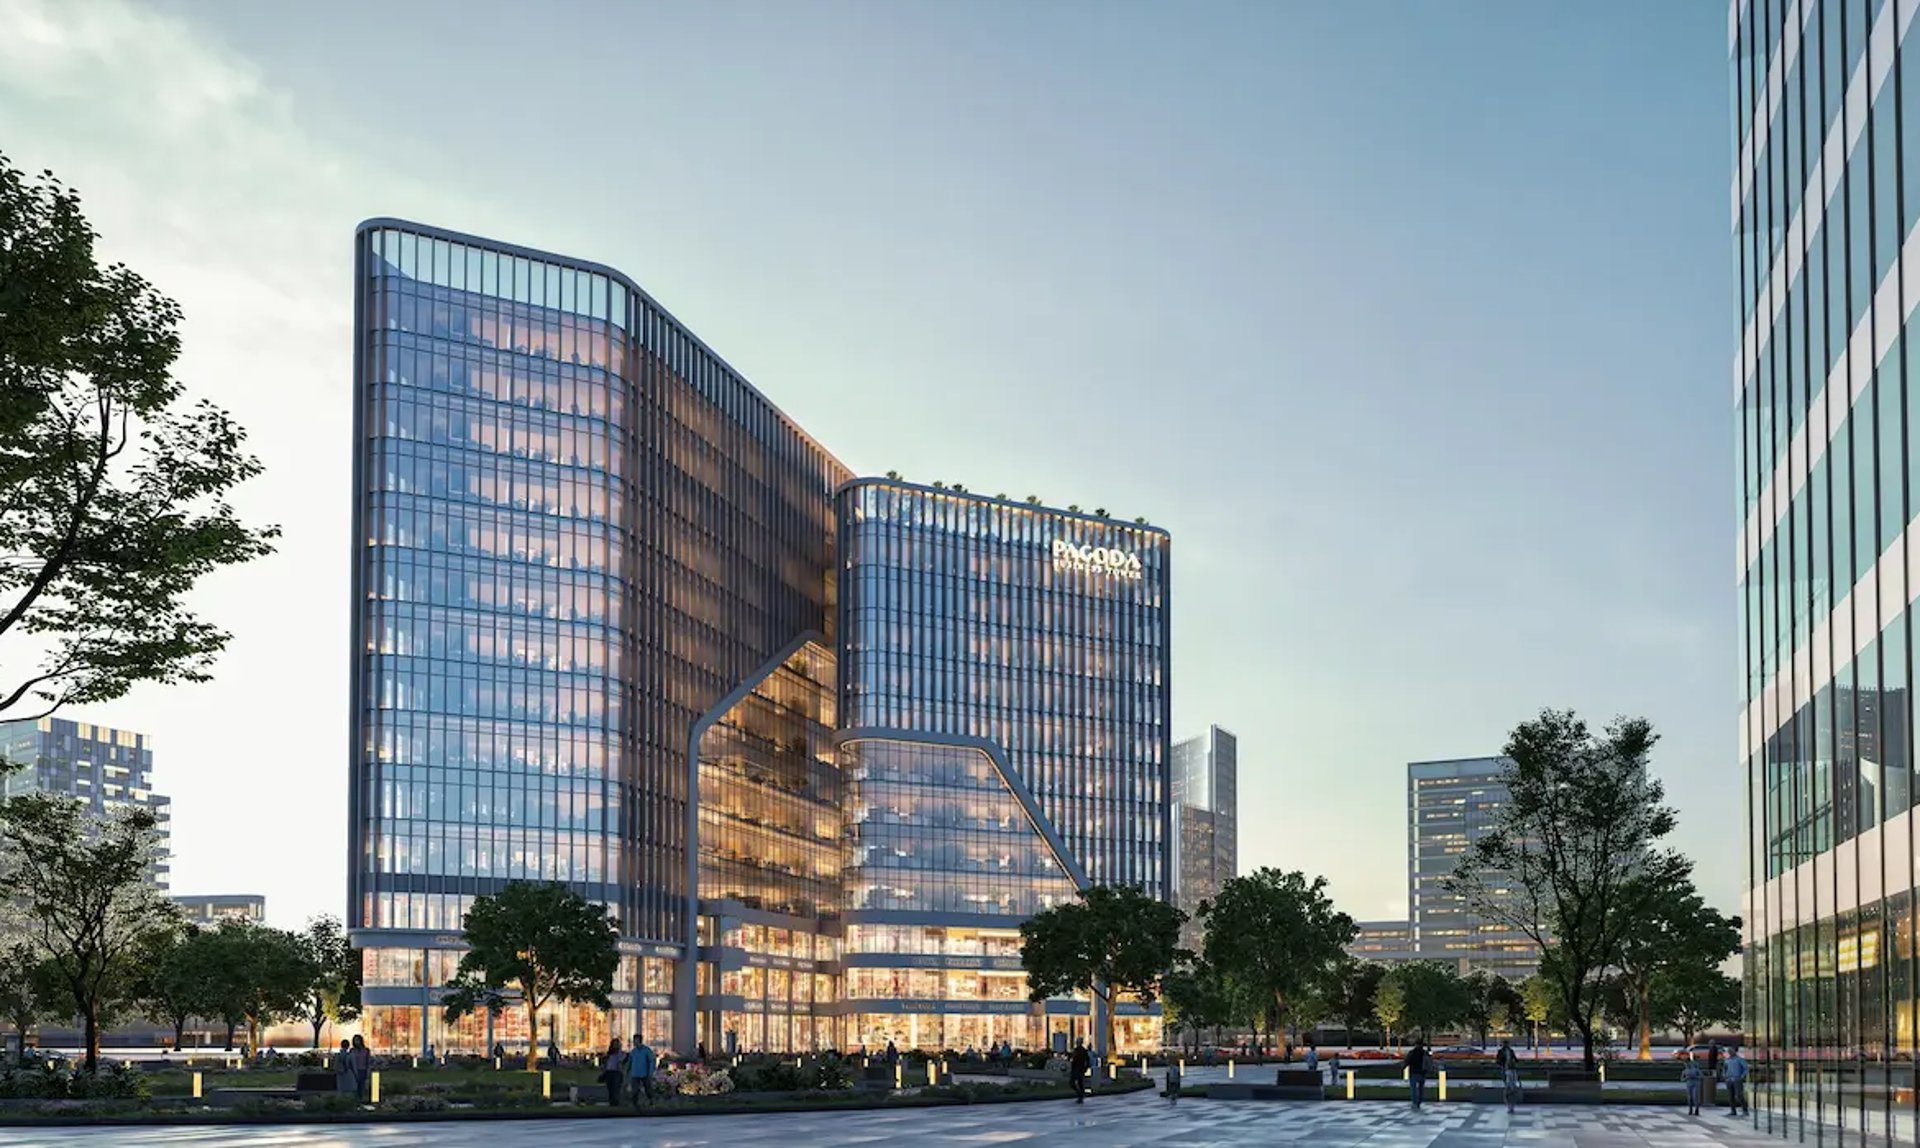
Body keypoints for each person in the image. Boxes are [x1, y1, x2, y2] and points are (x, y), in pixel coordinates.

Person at [627, 1034, 658, 1108]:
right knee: (635, 1090)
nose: (634, 1042)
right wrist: (628, 1071)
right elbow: (630, 1062)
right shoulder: (633, 1051)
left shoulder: (646, 1050)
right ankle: (635, 1103)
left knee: (648, 1088)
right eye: (634, 1040)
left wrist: (650, 1072)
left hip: (645, 1073)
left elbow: (651, 1061)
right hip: (635, 1073)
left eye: (636, 1040)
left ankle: (651, 1101)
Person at [1403, 1039, 1431, 1110]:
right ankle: (1419, 1102)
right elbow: (1429, 1062)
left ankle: (1414, 1102)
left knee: (1414, 1089)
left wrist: (1403, 1067)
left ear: (1415, 1044)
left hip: (1414, 1072)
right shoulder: (1425, 1053)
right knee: (1421, 1089)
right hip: (1422, 1073)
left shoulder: (1412, 1053)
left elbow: (1407, 1061)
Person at [1723, 1046, 1749, 1117]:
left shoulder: (1739, 1059)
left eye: (1731, 1051)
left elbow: (1746, 1068)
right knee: (1731, 1096)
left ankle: (1745, 1110)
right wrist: (1725, 1076)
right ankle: (1733, 1111)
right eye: (1729, 1051)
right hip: (1729, 1079)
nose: (1730, 1052)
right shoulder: (1727, 1060)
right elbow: (1725, 1068)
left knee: (1739, 1095)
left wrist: (1742, 1076)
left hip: (1737, 1079)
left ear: (1735, 1051)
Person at [1495, 1039, 1521, 1113]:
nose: (1506, 1045)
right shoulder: (1501, 1051)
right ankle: (1509, 1105)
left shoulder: (1511, 1051)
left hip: (1512, 1071)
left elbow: (1515, 1059)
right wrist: (1503, 1065)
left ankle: (1511, 1106)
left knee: (1512, 1088)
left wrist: (1514, 1062)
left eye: (1507, 1044)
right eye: (1505, 1044)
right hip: (1505, 1071)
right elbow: (1498, 1061)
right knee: (1507, 1088)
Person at [599, 1038, 626, 1105]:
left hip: (616, 1072)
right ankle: (611, 1102)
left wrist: (621, 1072)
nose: (615, 1046)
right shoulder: (609, 1054)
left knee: (615, 1088)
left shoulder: (620, 1053)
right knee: (610, 1088)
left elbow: (621, 1062)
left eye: (616, 1044)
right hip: (609, 1072)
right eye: (614, 1044)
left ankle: (615, 1102)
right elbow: (606, 1063)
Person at [1681, 1051, 1705, 1116]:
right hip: (1689, 1083)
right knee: (1690, 1097)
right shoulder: (1685, 1071)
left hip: (1696, 1083)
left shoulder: (1695, 1069)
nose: (1687, 1065)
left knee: (1695, 1097)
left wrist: (1696, 1077)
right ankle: (1690, 1109)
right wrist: (1686, 1078)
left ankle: (1697, 1109)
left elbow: (1701, 1076)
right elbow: (1682, 1079)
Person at [1069, 1039, 1092, 1104]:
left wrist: (1086, 1067)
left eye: (1078, 1042)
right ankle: (1080, 1095)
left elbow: (1087, 1060)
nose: (1077, 1043)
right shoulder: (1076, 1050)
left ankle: (1080, 1095)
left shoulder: (1082, 1051)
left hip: (1079, 1068)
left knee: (1078, 1082)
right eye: (1077, 1042)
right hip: (1077, 1068)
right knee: (1076, 1082)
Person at [349, 1034, 371, 1100]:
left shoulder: (366, 1050)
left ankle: (360, 1100)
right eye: (355, 1040)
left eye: (358, 1040)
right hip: (354, 1070)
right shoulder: (352, 1050)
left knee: (361, 1087)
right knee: (354, 1087)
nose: (356, 1042)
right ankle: (355, 1100)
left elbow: (368, 1061)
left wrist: (368, 1071)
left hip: (363, 1070)